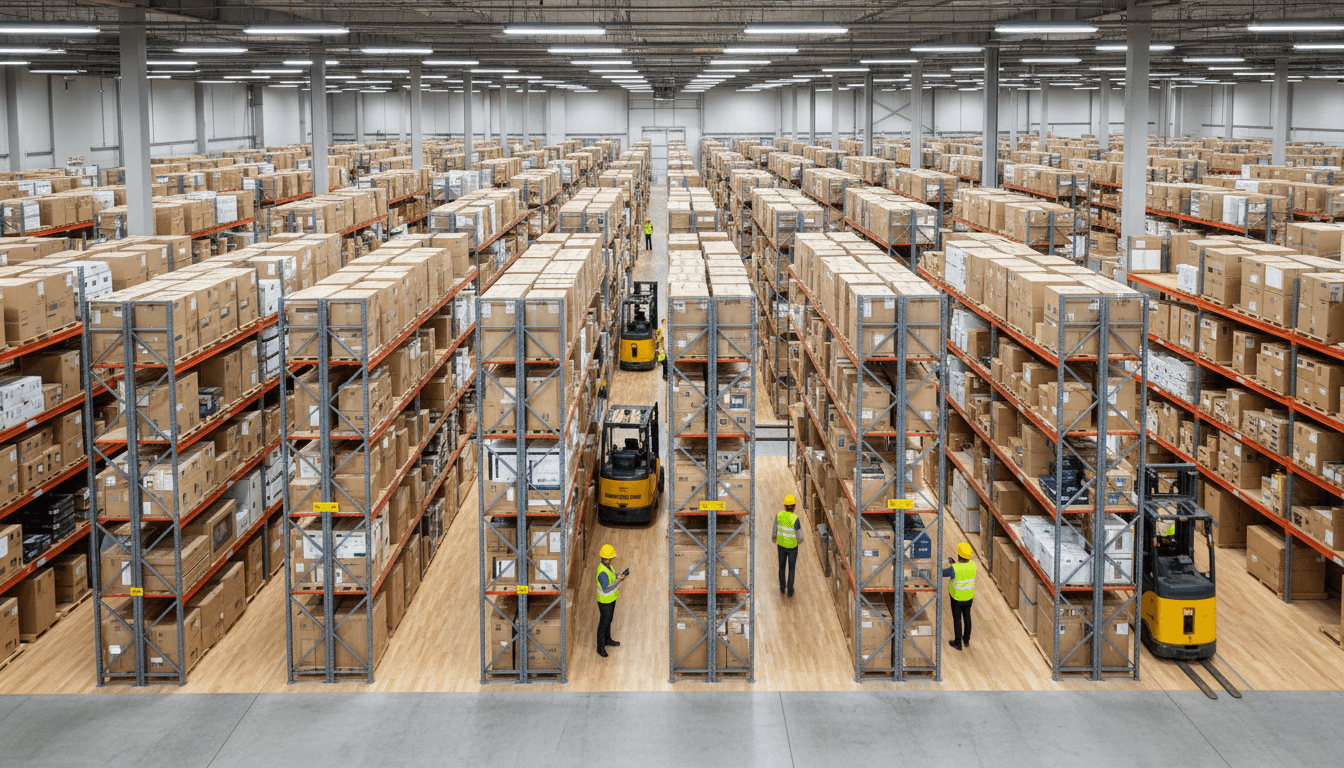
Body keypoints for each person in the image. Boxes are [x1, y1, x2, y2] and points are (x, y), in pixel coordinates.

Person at [944, 542, 977, 650]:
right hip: (968, 597)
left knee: (957, 619)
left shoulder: (954, 568)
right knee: (967, 617)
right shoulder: (973, 566)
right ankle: (966, 640)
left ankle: (958, 642)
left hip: (956, 598)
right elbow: (963, 570)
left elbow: (943, 573)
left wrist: (946, 564)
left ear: (958, 555)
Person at [596, 544, 627, 657]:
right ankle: (600, 648)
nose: (613, 558)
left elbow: (612, 575)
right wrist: (619, 581)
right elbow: (606, 589)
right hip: (605, 602)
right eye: (612, 557)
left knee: (608, 621)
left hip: (611, 599)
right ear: (607, 558)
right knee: (604, 623)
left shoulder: (608, 567)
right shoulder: (602, 572)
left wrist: (619, 575)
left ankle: (607, 640)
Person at [773, 494, 803, 596]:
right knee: (791, 569)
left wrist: (776, 539)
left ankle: (782, 588)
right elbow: (800, 536)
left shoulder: (779, 515)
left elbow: (774, 531)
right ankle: (790, 590)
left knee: (781, 567)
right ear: (794, 507)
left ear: (785, 506)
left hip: (781, 546)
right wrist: (797, 542)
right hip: (792, 548)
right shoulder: (795, 518)